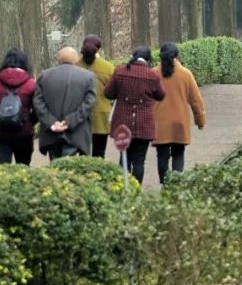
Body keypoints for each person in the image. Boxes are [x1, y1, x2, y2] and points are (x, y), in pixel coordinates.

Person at [104, 45, 166, 185]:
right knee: (139, 160)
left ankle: (122, 188)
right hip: (144, 124)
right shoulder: (152, 76)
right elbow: (161, 95)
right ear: (149, 59)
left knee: (124, 157)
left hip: (122, 122)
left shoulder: (120, 71)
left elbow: (108, 93)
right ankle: (136, 190)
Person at [151, 42, 206, 184]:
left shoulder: (153, 74)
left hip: (160, 123)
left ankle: (165, 185)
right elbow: (196, 100)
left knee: (162, 156)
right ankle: (177, 185)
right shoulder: (186, 74)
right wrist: (200, 121)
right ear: (177, 55)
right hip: (179, 123)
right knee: (178, 154)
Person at [33, 46, 96, 160]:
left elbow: (38, 102)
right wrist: (69, 121)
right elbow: (89, 103)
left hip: (52, 133)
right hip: (77, 133)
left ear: (58, 59)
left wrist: (52, 122)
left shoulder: (44, 76)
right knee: (72, 170)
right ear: (76, 59)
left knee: (55, 169)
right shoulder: (88, 77)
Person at [0, 48, 38, 164]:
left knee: (2, 169)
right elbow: (39, 108)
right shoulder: (31, 84)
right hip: (23, 132)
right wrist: (29, 120)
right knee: (23, 168)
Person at [80, 35, 115, 159]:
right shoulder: (108, 67)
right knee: (99, 153)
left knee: (82, 154)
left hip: (80, 115)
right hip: (101, 114)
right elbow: (113, 92)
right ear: (98, 49)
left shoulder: (75, 65)